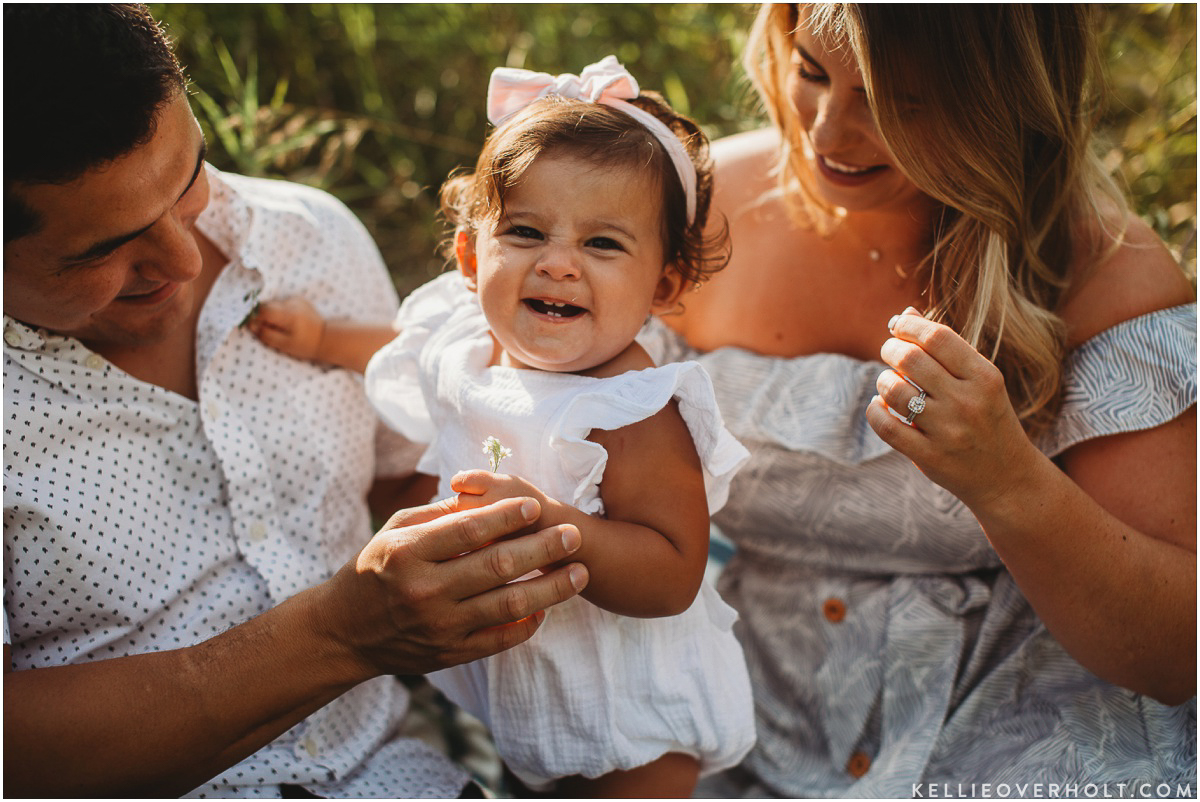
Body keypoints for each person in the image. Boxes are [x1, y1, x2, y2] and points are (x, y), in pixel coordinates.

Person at [2, 5, 591, 798]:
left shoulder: (311, 236)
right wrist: (340, 635)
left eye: (189, 181)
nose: (181, 258)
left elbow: (400, 484)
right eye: (104, 250)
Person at [641, 4, 1197, 797]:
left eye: (893, 98)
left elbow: (1177, 654)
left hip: (1008, 719)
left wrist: (1009, 482)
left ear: (999, 97)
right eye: (811, 74)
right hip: (741, 711)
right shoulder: (694, 212)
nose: (828, 134)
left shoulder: (1106, 271)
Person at [250, 56, 756, 798]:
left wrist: (557, 527)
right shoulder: (470, 337)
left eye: (603, 244)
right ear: (469, 252)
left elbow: (675, 570)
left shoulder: (630, 407)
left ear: (664, 284)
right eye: (525, 232)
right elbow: (403, 349)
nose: (558, 265)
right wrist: (325, 340)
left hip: (632, 716)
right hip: (521, 688)